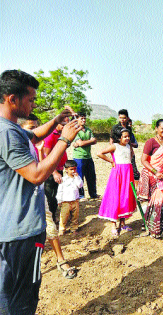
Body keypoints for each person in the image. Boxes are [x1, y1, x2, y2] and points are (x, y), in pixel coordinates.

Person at [0, 70, 81, 314]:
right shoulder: (7, 132)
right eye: (31, 99)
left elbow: (34, 134)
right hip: (21, 232)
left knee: (7, 292)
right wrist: (64, 140)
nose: (34, 104)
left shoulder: (10, 128)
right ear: (13, 99)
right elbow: (36, 174)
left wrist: (56, 121)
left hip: (9, 229)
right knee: (23, 296)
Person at [21, 115, 77, 280]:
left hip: (37, 194)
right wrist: (65, 140)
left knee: (50, 225)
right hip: (20, 199)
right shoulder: (16, 145)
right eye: (31, 128)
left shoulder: (35, 145)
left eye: (36, 127)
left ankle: (60, 259)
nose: (35, 132)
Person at [138, 119, 163, 238]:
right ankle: (153, 229)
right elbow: (143, 160)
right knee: (156, 202)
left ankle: (162, 224)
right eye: (162, 128)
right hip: (154, 176)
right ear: (156, 128)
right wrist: (156, 172)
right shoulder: (151, 142)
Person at [98, 128, 136, 236]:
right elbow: (99, 153)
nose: (127, 138)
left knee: (126, 197)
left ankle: (123, 223)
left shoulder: (129, 146)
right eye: (124, 136)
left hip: (128, 173)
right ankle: (113, 225)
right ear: (119, 137)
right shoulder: (115, 146)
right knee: (116, 197)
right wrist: (112, 161)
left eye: (128, 136)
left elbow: (131, 156)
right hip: (118, 174)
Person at [43, 117, 70, 223]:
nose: (64, 127)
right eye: (63, 124)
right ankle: (51, 218)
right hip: (51, 171)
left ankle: (53, 215)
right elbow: (46, 155)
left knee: (57, 194)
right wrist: (54, 172)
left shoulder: (61, 134)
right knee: (50, 195)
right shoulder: (50, 135)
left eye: (66, 124)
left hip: (59, 169)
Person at [72, 112, 99, 199]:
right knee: (79, 177)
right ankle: (80, 195)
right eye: (81, 118)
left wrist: (83, 143)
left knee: (91, 176)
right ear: (77, 120)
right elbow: (81, 143)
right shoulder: (76, 131)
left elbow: (94, 141)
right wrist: (89, 141)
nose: (83, 120)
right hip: (79, 157)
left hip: (88, 156)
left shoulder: (88, 130)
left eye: (84, 118)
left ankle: (93, 194)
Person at [110, 109, 140, 183]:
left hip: (128, 152)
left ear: (127, 118)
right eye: (120, 118)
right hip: (119, 153)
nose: (122, 120)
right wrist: (113, 158)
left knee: (134, 172)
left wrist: (132, 151)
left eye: (124, 118)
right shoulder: (115, 128)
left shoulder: (129, 128)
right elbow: (111, 142)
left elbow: (130, 142)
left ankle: (134, 191)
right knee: (120, 173)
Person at [57, 160, 84, 235]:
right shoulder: (63, 180)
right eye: (71, 169)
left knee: (75, 217)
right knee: (64, 217)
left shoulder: (76, 178)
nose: (73, 171)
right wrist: (59, 200)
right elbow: (60, 191)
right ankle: (62, 230)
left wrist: (77, 177)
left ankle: (74, 228)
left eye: (75, 169)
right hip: (66, 202)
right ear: (66, 169)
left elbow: (80, 185)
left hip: (75, 201)